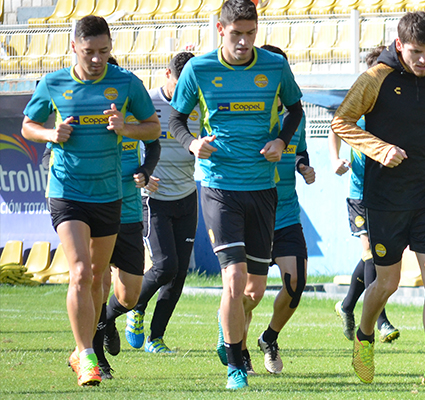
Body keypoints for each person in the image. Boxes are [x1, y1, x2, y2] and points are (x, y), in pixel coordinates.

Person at [168, 0, 304, 389]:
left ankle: (225, 329)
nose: (244, 42)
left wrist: (281, 139)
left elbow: (295, 110)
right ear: (220, 29)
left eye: (250, 34)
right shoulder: (199, 69)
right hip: (218, 185)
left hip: (263, 188)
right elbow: (177, 118)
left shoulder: (275, 66)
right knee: (234, 278)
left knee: (254, 289)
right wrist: (192, 144)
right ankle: (235, 366)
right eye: (236, 34)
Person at [331, 11, 425, 386]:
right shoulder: (375, 79)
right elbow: (340, 122)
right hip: (385, 198)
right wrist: (379, 149)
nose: (422, 60)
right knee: (387, 283)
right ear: (398, 45)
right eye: (414, 52)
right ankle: (364, 335)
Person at [21, 15, 160, 387]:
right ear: (73, 49)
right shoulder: (54, 83)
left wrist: (125, 127)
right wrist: (52, 132)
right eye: (89, 52)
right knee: (81, 271)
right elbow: (27, 126)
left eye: (104, 51)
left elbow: (153, 127)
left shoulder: (127, 83)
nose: (97, 59)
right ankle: (86, 355)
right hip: (67, 192)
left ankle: (81, 348)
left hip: (108, 195)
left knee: (99, 278)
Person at [242, 44, 314, 375]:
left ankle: (269, 337)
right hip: (251, 213)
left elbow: (301, 154)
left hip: (285, 214)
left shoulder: (296, 118)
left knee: (295, 283)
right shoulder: (247, 115)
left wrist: (304, 168)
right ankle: (238, 350)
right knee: (247, 293)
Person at [91, 56, 162, 379]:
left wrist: (145, 172)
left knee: (129, 295)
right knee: (97, 282)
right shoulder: (84, 114)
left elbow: (154, 144)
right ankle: (94, 356)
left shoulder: (135, 112)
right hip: (93, 206)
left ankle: (106, 319)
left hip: (130, 210)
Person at [126, 52, 200, 357]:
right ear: (166, 74)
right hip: (154, 199)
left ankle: (155, 338)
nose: (187, 91)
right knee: (165, 265)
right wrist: (142, 173)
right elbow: (127, 146)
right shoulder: (147, 103)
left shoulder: (199, 106)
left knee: (179, 272)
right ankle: (135, 306)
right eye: (182, 84)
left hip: (187, 195)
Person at [332, 45, 400, 344]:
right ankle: (380, 320)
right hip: (361, 192)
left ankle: (346, 305)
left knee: (380, 254)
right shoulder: (359, 102)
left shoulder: (397, 103)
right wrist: (335, 160)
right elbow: (336, 126)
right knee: (371, 252)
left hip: (388, 193)